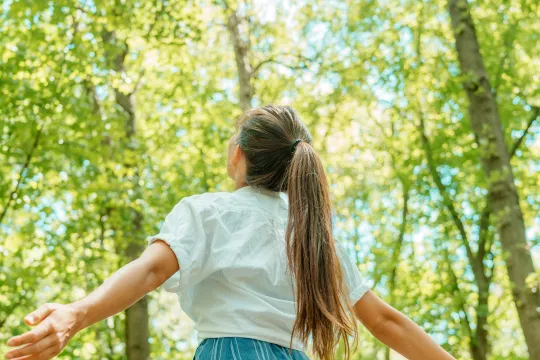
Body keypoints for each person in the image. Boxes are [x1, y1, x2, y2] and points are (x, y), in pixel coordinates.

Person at [5, 105, 455, 360]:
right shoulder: (316, 234)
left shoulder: (210, 212)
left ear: (239, 155)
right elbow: (384, 321)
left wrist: (76, 314)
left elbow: (148, 272)